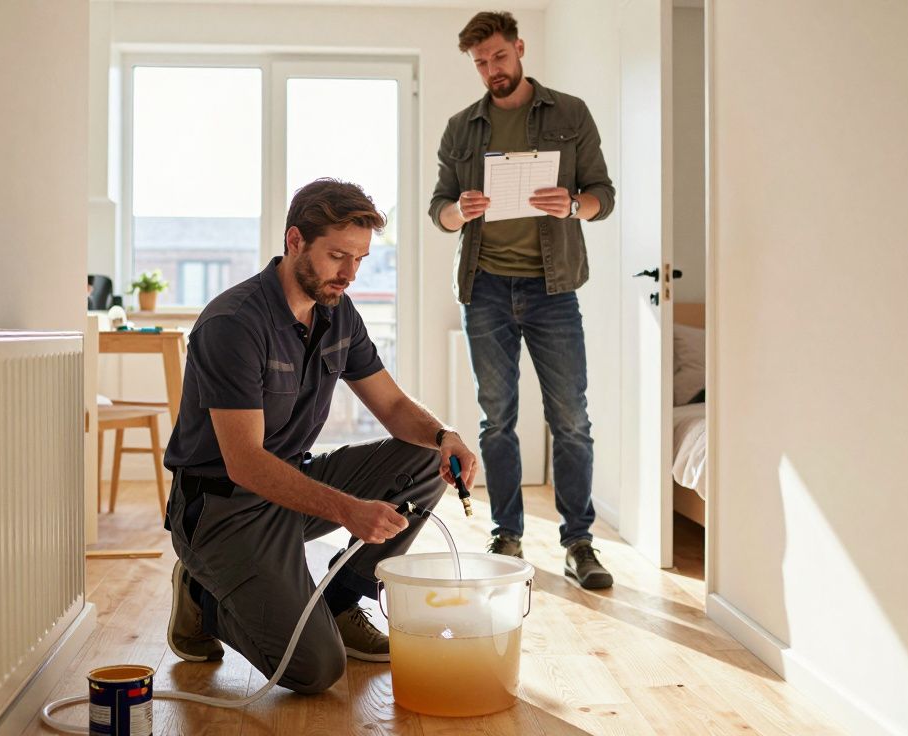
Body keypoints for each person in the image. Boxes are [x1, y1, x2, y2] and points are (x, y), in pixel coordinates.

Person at [163, 178, 479, 694]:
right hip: (222, 509)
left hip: (289, 485)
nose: (351, 273)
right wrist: (347, 510)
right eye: (337, 256)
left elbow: (396, 408)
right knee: (315, 670)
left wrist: (445, 435)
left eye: (360, 258)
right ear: (294, 242)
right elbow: (244, 463)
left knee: (425, 459)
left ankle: (338, 603)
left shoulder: (338, 313)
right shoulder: (233, 324)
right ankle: (203, 595)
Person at [428, 11, 616, 589]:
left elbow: (603, 195)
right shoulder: (462, 127)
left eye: (499, 58)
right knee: (496, 421)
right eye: (481, 63)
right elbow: (438, 210)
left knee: (571, 420)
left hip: (552, 288)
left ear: (520, 49)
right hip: (483, 289)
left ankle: (578, 543)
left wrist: (573, 205)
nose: (492, 71)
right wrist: (461, 211)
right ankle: (506, 533)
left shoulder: (570, 113)